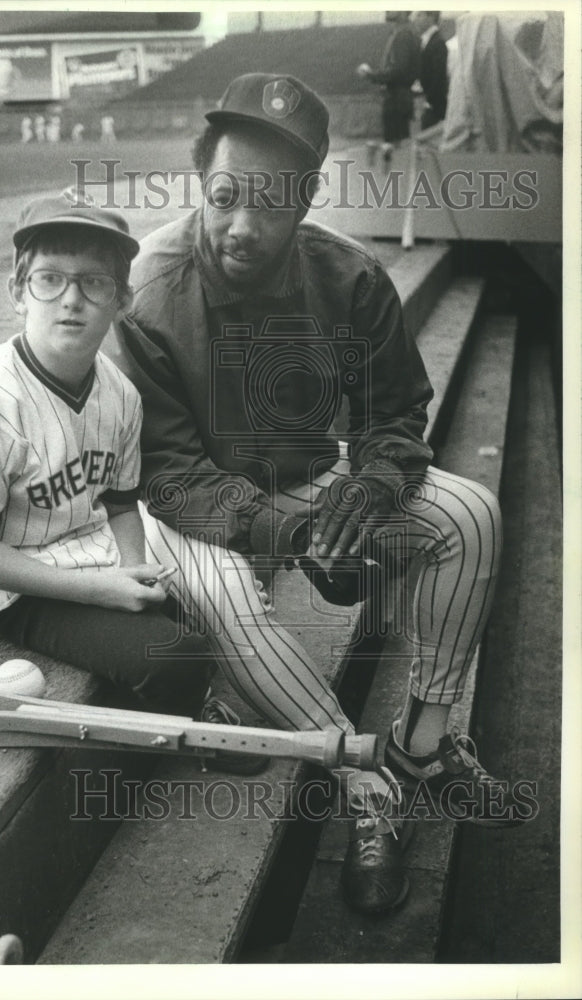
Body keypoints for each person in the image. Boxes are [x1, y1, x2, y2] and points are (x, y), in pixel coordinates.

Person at [102, 72, 531, 915]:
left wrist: (372, 482)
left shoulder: (349, 275)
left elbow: (397, 411)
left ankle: (424, 743)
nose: (241, 225)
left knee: (471, 513)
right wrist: (293, 536)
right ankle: (366, 786)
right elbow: (172, 475)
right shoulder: (147, 290)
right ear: (202, 181)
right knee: (229, 593)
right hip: (195, 502)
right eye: (225, 197)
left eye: (270, 203)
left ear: (304, 201)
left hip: (312, 474)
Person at [0, 189, 241, 736]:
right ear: (18, 293)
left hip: (90, 549)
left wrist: (129, 570)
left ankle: (168, 708)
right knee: (173, 654)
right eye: (49, 278)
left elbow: (121, 501)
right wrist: (104, 590)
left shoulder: (119, 392)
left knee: (182, 608)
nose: (70, 299)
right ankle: (170, 736)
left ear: (121, 300)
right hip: (17, 582)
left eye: (94, 282)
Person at [357, 11, 420, 162]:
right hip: (397, 97)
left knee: (395, 153)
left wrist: (371, 75)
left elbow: (398, 70)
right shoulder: (401, 33)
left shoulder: (403, 35)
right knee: (395, 150)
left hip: (397, 100)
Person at [413, 11, 448, 128]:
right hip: (430, 106)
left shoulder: (437, 42)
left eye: (419, 15)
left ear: (431, 17)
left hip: (435, 110)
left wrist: (428, 101)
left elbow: (439, 76)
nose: (415, 19)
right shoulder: (427, 41)